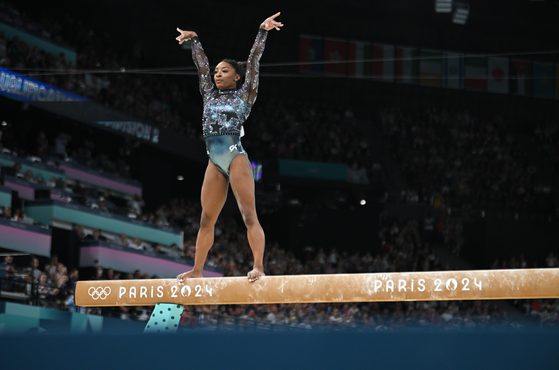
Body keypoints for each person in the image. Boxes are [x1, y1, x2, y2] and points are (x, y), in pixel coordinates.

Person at [175, 12, 283, 283]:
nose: (217, 74)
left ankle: (258, 266)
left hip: (235, 157)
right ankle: (197, 270)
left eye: (224, 71)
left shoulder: (245, 94)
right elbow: (201, 67)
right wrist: (195, 41)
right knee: (205, 221)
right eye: (216, 71)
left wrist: (262, 32)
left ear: (237, 77)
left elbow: (255, 61)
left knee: (249, 215)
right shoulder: (209, 94)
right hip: (214, 161)